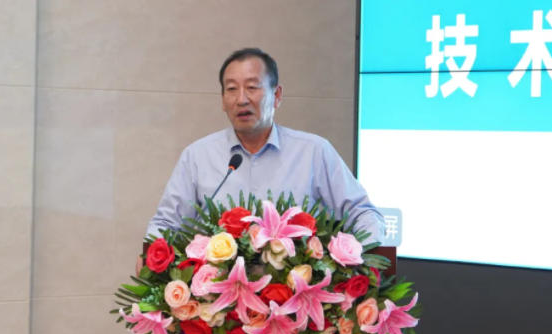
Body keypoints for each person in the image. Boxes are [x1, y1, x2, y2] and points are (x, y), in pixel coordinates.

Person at [144, 47, 384, 250]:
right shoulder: (198, 157)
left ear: (277, 95)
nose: (241, 99)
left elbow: (363, 213)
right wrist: (151, 254)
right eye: (231, 89)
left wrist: (361, 259)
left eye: (252, 87)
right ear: (222, 100)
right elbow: (166, 223)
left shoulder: (313, 152)